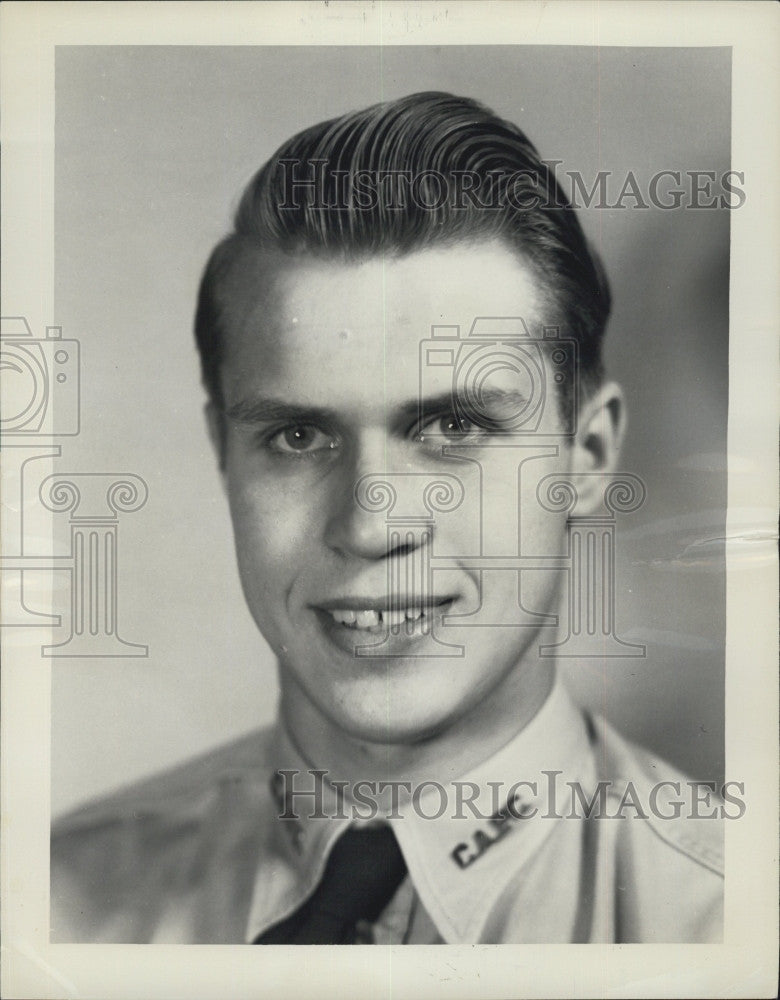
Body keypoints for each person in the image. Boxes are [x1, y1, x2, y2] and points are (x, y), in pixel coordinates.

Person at [51, 92, 723, 944]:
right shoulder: (55, 911)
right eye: (296, 436)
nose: (371, 526)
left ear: (585, 458)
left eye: (453, 428)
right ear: (223, 450)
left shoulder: (724, 924)